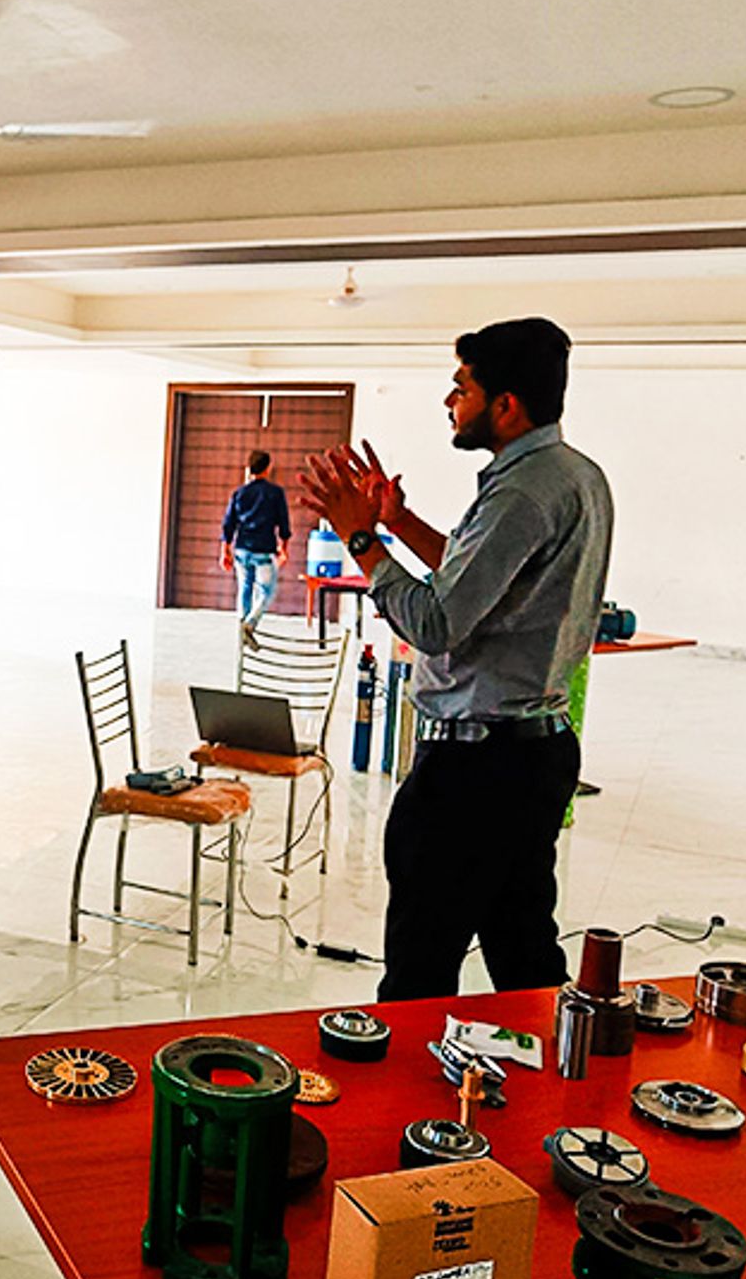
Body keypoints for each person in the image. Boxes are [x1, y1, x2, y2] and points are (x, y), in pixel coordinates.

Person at [298, 317, 612, 1002]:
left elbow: (437, 621)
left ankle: (410, 1109)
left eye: (461, 388)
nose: (450, 402)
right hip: (533, 755)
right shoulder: (574, 476)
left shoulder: (521, 493)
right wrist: (397, 523)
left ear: (506, 405)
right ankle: (550, 1096)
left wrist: (359, 538)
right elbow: (486, 584)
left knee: (420, 967)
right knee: (524, 956)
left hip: (478, 771)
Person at [220, 450, 290, 648]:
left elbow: (228, 524)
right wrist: (284, 548)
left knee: (245, 588)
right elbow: (283, 523)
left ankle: (242, 625)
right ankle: (250, 624)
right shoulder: (276, 493)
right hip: (264, 551)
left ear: (249, 468)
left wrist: (224, 550)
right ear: (268, 468)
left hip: (242, 549)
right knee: (266, 591)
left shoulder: (239, 493)